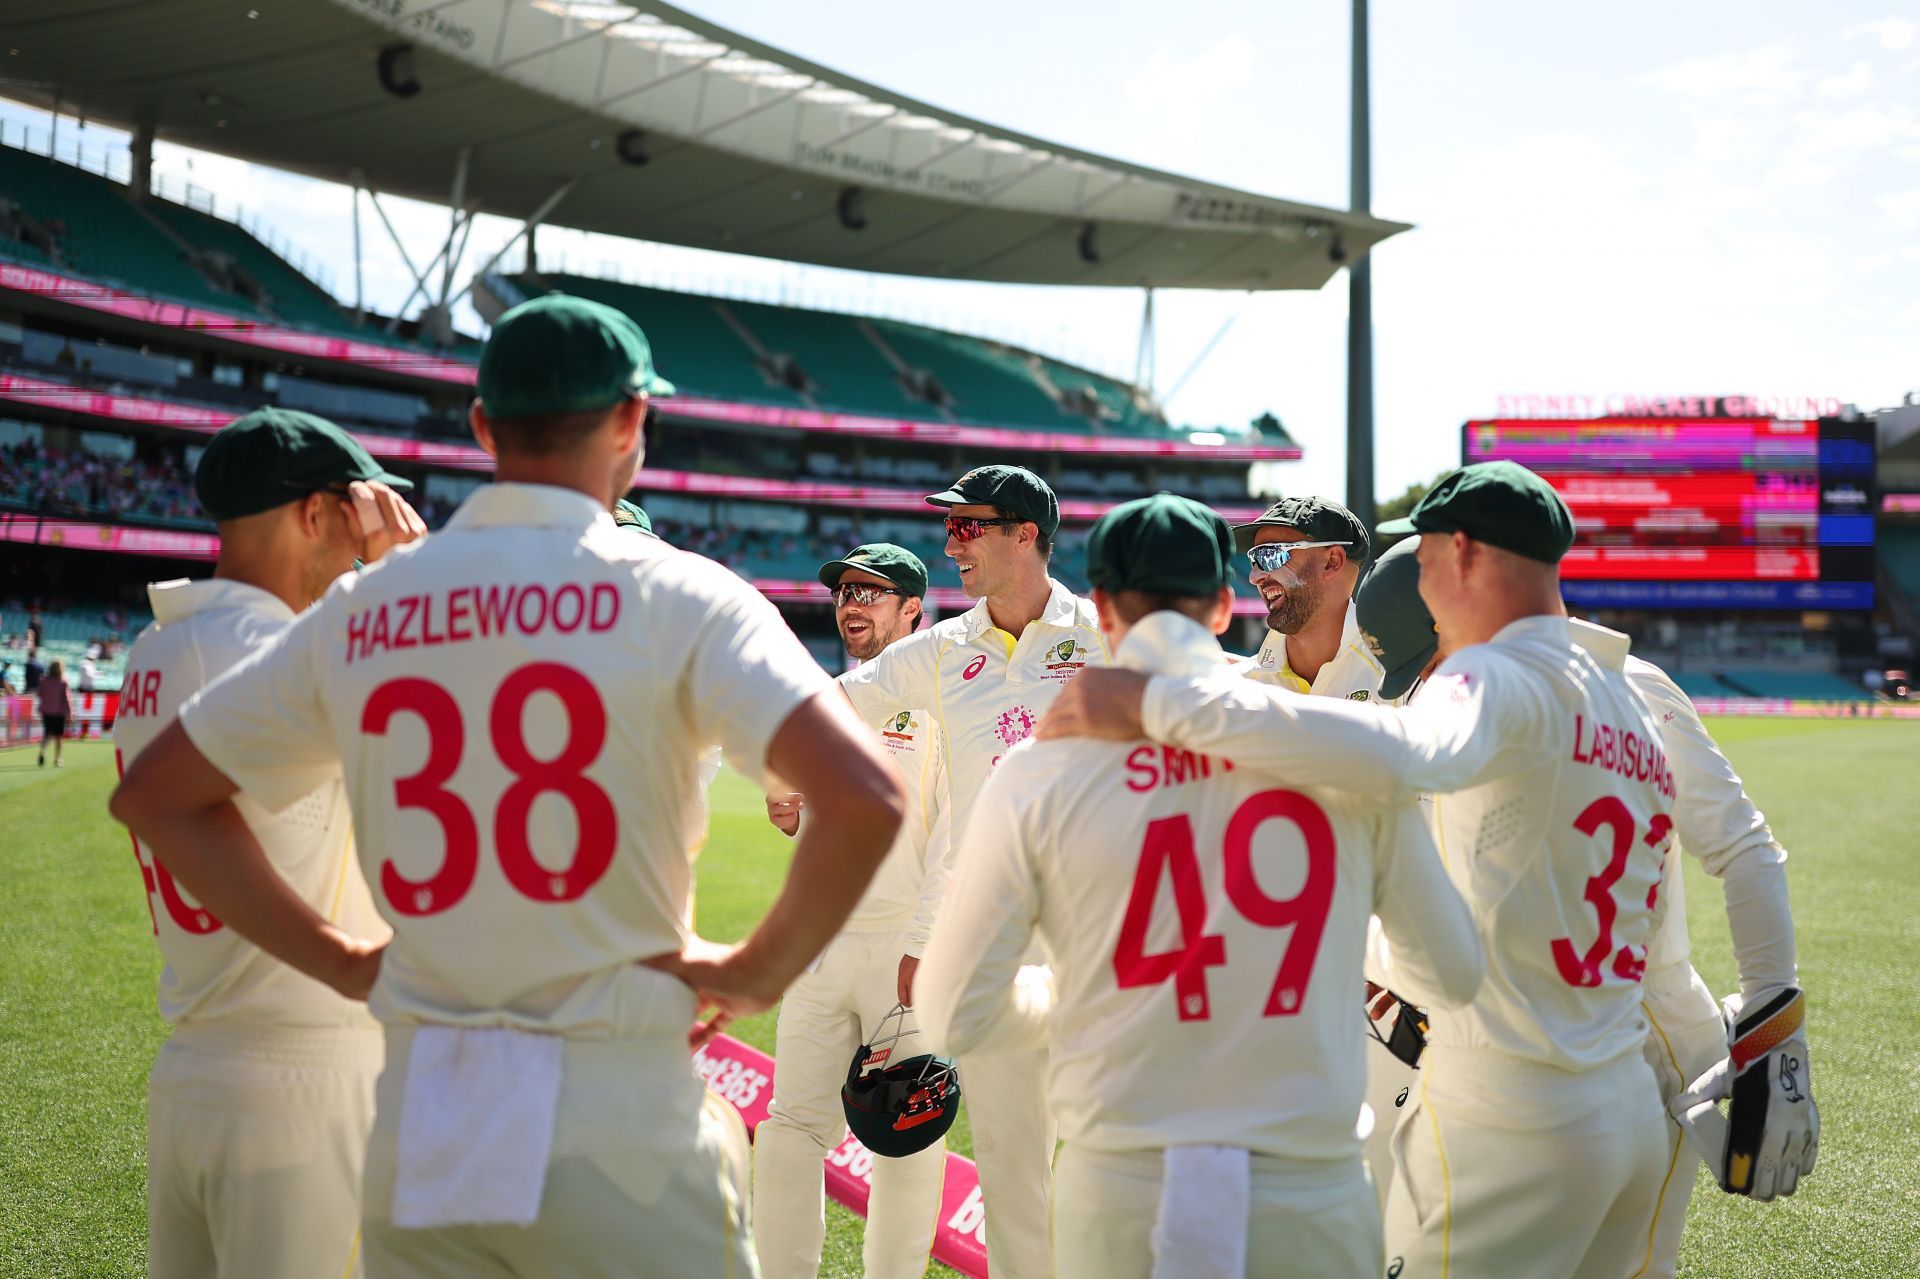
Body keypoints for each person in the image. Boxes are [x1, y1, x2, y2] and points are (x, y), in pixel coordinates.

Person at [111, 293, 909, 1279]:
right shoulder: (681, 592)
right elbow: (865, 794)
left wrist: (342, 960)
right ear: (631, 423)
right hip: (617, 1105)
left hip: (429, 1122)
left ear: (483, 425)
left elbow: (157, 795)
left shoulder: (370, 601)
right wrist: (754, 972)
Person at [1040, 462, 1679, 1279]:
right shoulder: (1623, 700)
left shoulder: (1497, 675)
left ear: (1465, 554)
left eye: (1423, 557)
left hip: (1514, 1102)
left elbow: (1400, 753)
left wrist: (1168, 707)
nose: (1412, 580)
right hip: (1622, 1100)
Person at [916, 494, 1485, 1279]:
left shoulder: (1039, 769)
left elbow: (951, 1012)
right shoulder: (1341, 751)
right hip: (1308, 1181)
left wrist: (1074, 991)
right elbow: (1453, 972)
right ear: (1222, 606)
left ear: (1103, 610)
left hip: (1120, 1180)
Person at [1347, 536, 1818, 1278]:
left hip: (1631, 1041)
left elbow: (1743, 846)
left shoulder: (1621, 687)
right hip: (1548, 1044)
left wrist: (1776, 1030)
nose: (1428, 685)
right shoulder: (1513, 695)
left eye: (1426, 662)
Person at [111, 406, 424, 1279]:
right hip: (305, 1071)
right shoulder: (274, 651)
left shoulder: (155, 647)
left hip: (198, 1063)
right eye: (360, 510)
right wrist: (404, 581)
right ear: (315, 512)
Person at [833, 463, 1106, 1279]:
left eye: (967, 527)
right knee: (1014, 1164)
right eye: (949, 528)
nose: (952, 543)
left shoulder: (1105, 634)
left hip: (1105, 935)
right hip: (990, 941)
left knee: (1112, 1155)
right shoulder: (940, 651)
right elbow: (831, 706)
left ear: (1025, 534)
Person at [755, 544, 951, 1279]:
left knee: (907, 1133)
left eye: (873, 592)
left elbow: (949, 839)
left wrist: (928, 943)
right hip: (825, 944)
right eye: (845, 592)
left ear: (912, 611)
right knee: (788, 1127)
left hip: (906, 951)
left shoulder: (939, 704)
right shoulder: (828, 699)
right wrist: (791, 811)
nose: (852, 605)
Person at [1235, 496, 1384, 698]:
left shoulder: (1403, 678)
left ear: (1331, 562)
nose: (1255, 577)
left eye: (1270, 555)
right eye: (1254, 559)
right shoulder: (1240, 685)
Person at [37, 657, 70, 766]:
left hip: (46, 711)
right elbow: (66, 698)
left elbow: (40, 694)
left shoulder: (43, 680)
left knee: (48, 733)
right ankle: (58, 759)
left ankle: (42, 750)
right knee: (59, 736)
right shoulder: (63, 682)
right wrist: (70, 712)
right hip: (59, 712)